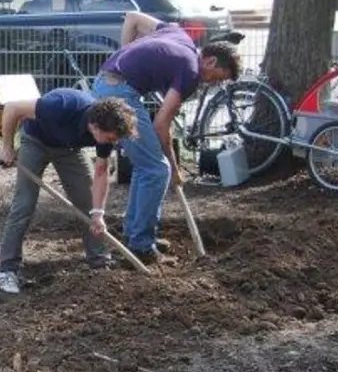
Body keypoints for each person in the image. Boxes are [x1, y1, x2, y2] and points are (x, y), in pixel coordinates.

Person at [91, 13, 240, 262]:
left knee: (146, 167)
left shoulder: (178, 34)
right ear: (211, 61)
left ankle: (135, 232)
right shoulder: (192, 72)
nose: (214, 84)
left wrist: (125, 59)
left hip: (107, 82)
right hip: (119, 93)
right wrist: (173, 164)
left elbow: (133, 19)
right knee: (158, 170)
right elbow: (162, 123)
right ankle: (141, 245)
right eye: (219, 78)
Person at [0, 90, 137, 292]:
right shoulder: (60, 105)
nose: (112, 142)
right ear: (95, 126)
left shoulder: (106, 135)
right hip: (35, 140)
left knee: (89, 205)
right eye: (110, 137)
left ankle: (99, 261)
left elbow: (101, 171)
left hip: (68, 149)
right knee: (24, 204)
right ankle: (7, 269)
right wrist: (6, 145)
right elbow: (12, 107)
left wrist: (99, 214)